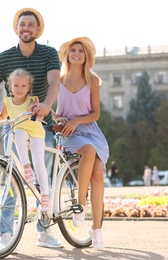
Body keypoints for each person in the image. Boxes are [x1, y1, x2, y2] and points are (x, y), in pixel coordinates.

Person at [0, 8, 63, 250]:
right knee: (11, 179)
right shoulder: (4, 58)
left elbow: (55, 81)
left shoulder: (48, 53)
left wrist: (47, 105)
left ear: (38, 30)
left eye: (31, 25)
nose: (26, 28)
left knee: (41, 179)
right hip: (14, 126)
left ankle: (44, 233)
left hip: (39, 124)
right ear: (17, 28)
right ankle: (6, 234)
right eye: (22, 24)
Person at [52, 36, 109, 250]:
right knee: (89, 152)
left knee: (98, 174)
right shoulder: (58, 79)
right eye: (74, 50)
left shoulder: (93, 80)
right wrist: (57, 117)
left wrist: (78, 120)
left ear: (86, 56)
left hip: (90, 131)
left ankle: (97, 231)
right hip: (69, 133)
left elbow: (96, 114)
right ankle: (81, 205)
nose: (77, 53)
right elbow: (52, 108)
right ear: (68, 54)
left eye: (81, 51)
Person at [0, 68, 51, 211]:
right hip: (21, 132)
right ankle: (26, 168)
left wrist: (37, 112)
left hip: (36, 133)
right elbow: (2, 116)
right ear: (10, 87)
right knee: (19, 132)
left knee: (39, 162)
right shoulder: (8, 101)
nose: (20, 89)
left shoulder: (32, 100)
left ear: (29, 87)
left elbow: (40, 115)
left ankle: (45, 197)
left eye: (23, 86)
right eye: (16, 86)